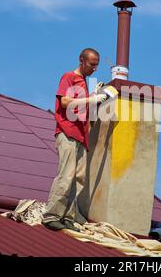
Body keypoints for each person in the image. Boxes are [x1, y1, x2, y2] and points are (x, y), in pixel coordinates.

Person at [42, 48, 107, 231]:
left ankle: (68, 217)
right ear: (81, 60)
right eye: (92, 64)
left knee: (78, 178)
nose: (94, 69)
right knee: (67, 175)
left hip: (80, 136)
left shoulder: (83, 83)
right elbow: (64, 102)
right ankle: (52, 215)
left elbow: (83, 108)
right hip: (67, 132)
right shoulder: (69, 77)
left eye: (97, 65)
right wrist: (91, 99)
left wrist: (93, 97)